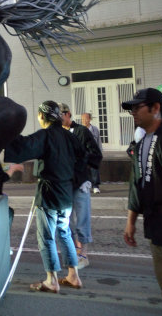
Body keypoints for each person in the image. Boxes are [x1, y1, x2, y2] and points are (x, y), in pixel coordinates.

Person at [5, 100, 84, 293]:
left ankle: (51, 280)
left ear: (42, 116)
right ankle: (73, 276)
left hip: (49, 193)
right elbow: (84, 160)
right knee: (64, 233)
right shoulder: (70, 137)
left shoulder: (45, 135)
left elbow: (23, 146)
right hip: (66, 193)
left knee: (47, 237)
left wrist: (6, 129)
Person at [122, 88, 162, 311]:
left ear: (155, 108)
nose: (133, 113)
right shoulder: (140, 145)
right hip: (155, 223)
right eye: (131, 109)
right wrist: (131, 221)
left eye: (137, 107)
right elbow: (136, 186)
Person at [60, 104, 103, 270]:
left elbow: (95, 154)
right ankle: (75, 251)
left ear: (68, 114)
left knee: (82, 219)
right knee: (66, 221)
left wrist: (81, 164)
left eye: (61, 114)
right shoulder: (57, 133)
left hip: (80, 182)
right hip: (63, 183)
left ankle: (84, 254)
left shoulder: (81, 131)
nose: (58, 118)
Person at [81, 112, 103, 194]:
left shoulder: (95, 129)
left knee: (94, 169)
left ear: (90, 119)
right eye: (82, 119)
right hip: (83, 153)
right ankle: (84, 185)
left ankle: (95, 186)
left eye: (86, 119)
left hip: (93, 152)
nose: (84, 121)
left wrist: (100, 152)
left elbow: (98, 142)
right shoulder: (79, 129)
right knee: (83, 170)